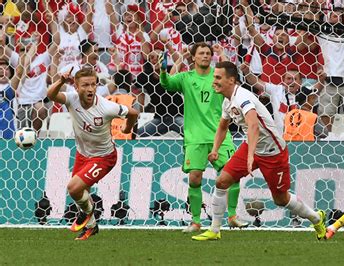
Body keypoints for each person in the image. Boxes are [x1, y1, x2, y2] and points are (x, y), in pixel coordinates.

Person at [192, 61, 326, 241]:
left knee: (281, 199)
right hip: (252, 146)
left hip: (272, 151)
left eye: (218, 77)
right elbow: (223, 126)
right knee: (222, 181)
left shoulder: (243, 98)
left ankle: (316, 218)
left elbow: (253, 126)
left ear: (231, 80)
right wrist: (215, 149)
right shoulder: (227, 101)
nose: (213, 81)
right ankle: (215, 230)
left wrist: (249, 157)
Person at [159, 42, 248, 233]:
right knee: (194, 179)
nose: (206, 56)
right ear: (193, 57)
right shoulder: (186, 78)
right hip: (195, 137)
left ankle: (232, 216)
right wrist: (164, 68)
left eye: (208, 53)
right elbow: (166, 84)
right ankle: (196, 222)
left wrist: (222, 53)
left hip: (220, 135)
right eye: (201, 53)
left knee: (232, 174)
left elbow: (233, 80)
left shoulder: (218, 76)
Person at [47, 67, 138, 240]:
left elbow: (133, 113)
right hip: (82, 154)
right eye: (85, 85)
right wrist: (60, 81)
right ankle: (92, 226)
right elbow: (51, 95)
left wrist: (127, 128)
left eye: (93, 85)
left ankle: (88, 211)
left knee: (73, 188)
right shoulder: (72, 99)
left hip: (104, 157)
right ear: (76, 86)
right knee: (81, 194)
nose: (90, 89)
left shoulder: (107, 107)